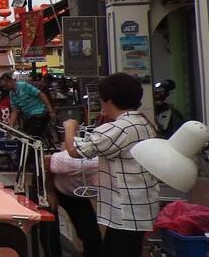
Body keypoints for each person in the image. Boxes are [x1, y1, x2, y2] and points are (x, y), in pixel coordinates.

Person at [63, 73, 159, 257]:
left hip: (126, 210)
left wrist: (70, 127)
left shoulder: (120, 128)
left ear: (109, 100)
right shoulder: (144, 122)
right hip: (139, 205)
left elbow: (74, 151)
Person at [48, 150, 101, 256]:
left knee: (92, 234)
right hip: (58, 188)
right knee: (50, 229)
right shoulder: (74, 162)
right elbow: (46, 162)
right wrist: (50, 192)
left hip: (78, 192)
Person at [1, 74, 56, 144]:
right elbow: (14, 111)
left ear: (10, 81)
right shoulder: (11, 94)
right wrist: (10, 127)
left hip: (40, 113)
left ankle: (35, 149)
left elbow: (41, 95)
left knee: (30, 137)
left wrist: (51, 111)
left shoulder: (24, 86)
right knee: (22, 135)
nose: (4, 89)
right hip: (31, 116)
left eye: (5, 86)